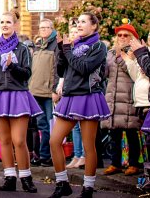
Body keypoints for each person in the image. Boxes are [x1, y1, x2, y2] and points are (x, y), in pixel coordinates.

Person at [49, 12, 110, 198]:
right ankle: (62, 183)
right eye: (78, 22)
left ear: (94, 26)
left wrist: (67, 51)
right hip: (69, 97)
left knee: (88, 145)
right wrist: (61, 49)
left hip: (88, 97)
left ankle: (88, 187)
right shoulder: (74, 45)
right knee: (54, 140)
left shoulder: (99, 46)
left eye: (83, 22)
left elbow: (84, 68)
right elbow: (62, 70)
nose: (80, 24)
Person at [0, 11, 41, 193]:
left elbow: (27, 74)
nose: (5, 25)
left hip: (18, 95)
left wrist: (12, 66)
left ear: (15, 25)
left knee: (19, 140)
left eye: (8, 22)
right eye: (2, 22)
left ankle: (26, 177)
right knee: (4, 140)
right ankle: (9, 177)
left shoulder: (22, 49)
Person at [101, 23, 141, 176]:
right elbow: (105, 73)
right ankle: (115, 163)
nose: (122, 38)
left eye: (126, 35)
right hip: (113, 97)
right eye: (119, 35)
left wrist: (120, 57)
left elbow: (133, 73)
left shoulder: (135, 53)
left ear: (132, 38)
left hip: (129, 97)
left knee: (131, 132)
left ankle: (133, 164)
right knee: (114, 133)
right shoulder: (111, 52)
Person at [29, 18, 59, 167]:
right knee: (39, 126)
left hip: (48, 93)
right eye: (41, 28)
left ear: (52, 29)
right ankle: (39, 155)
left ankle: (47, 156)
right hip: (35, 91)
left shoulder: (56, 46)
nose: (44, 30)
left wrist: (55, 89)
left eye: (47, 27)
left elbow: (58, 69)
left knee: (49, 126)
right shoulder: (38, 45)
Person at [62, 19, 85, 170]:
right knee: (75, 128)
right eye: (71, 32)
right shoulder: (69, 49)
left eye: (76, 32)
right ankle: (77, 155)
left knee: (84, 127)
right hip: (69, 90)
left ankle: (84, 155)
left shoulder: (84, 48)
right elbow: (62, 70)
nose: (73, 34)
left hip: (82, 91)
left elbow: (80, 68)